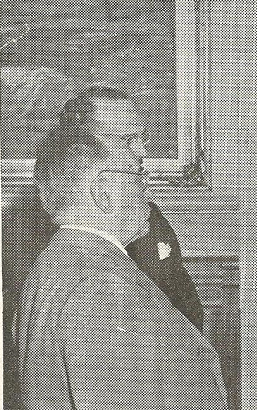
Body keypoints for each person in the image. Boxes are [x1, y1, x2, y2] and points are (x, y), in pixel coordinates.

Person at [17, 91, 242, 410]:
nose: (145, 185)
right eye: (135, 175)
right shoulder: (98, 283)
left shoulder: (66, 264)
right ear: (102, 190)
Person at [59, 85, 205, 330]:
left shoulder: (147, 217)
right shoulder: (55, 228)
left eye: (142, 137)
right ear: (82, 146)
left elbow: (183, 299)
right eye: (128, 140)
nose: (142, 151)